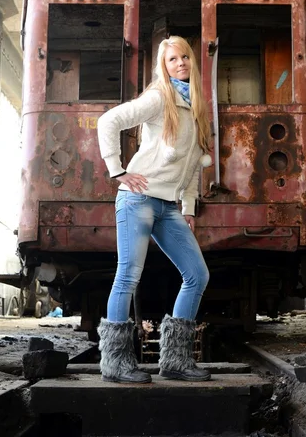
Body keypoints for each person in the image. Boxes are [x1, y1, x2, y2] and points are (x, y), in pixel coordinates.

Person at [97, 36, 212, 384]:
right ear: (163, 66)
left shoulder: (195, 107)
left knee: (197, 275)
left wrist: (188, 207)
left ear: (192, 61)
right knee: (129, 275)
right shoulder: (159, 97)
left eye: (184, 57)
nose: (180, 64)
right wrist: (117, 169)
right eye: (172, 59)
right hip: (138, 199)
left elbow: (194, 164)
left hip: (167, 206)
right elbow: (109, 121)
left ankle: (176, 360)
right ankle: (116, 363)